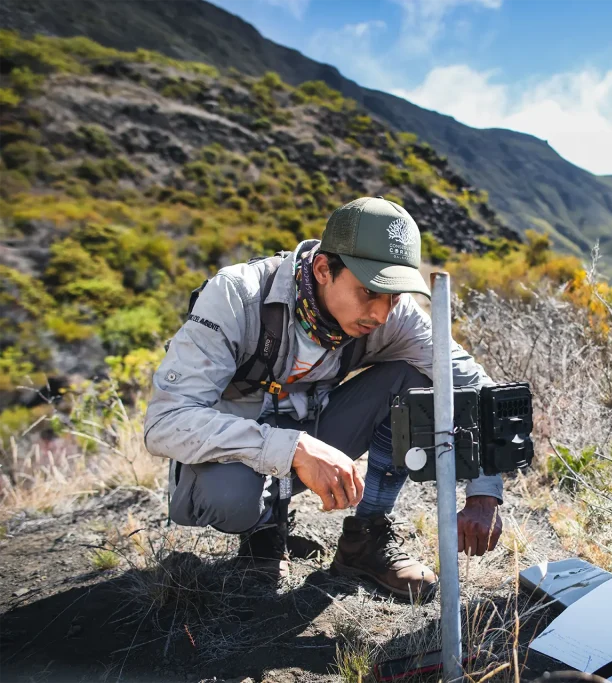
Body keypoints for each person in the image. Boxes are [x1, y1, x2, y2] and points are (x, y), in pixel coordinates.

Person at [143, 196, 504, 600]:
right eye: (370, 291)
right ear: (322, 270)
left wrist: (484, 491)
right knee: (228, 499)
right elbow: (164, 423)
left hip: (320, 430)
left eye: (394, 295)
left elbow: (476, 386)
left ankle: (366, 538)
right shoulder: (236, 296)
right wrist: (293, 448)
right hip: (239, 455)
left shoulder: (392, 316)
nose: (382, 314)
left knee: (415, 378)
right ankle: (264, 528)